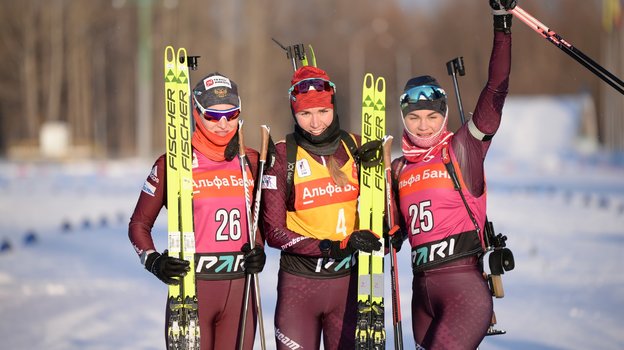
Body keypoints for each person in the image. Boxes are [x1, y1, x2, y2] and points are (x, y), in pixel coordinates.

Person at [391, 1, 516, 348]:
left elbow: (496, 89)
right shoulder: (399, 168)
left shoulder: (462, 148)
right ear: (404, 119)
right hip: (422, 295)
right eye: (414, 117)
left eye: (432, 116)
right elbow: (392, 225)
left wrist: (501, 26)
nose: (423, 125)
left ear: (443, 115)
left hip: (464, 291)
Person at [128, 72, 266, 350]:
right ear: (196, 113)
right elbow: (138, 225)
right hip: (191, 289)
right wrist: (154, 261)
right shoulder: (173, 164)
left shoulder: (251, 160)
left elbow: (260, 218)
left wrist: (259, 250)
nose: (223, 124)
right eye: (213, 116)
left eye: (232, 114)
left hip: (241, 289)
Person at [260, 65, 382, 350]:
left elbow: (382, 216)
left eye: (323, 112)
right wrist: (332, 246)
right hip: (299, 286)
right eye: (305, 114)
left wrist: (380, 175)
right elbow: (274, 232)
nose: (315, 123)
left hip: (349, 284)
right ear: (294, 113)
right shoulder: (283, 155)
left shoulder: (356, 147)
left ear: (334, 107)